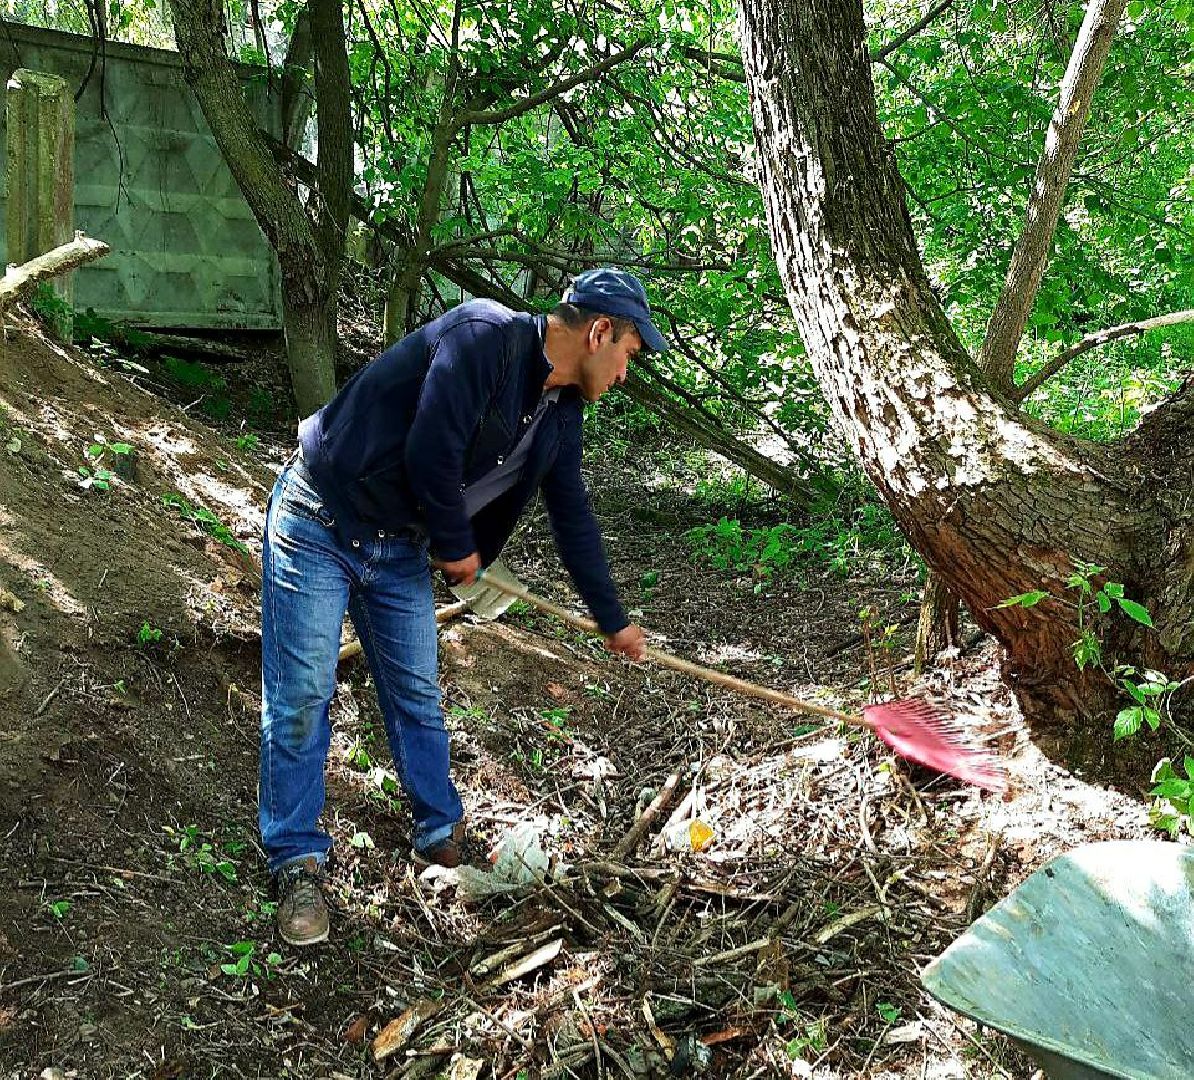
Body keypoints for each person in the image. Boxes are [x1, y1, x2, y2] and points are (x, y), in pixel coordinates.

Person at [259, 268, 667, 945]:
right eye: (628, 353)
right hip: (319, 521)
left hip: (397, 548)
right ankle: (295, 859)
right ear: (599, 331)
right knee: (303, 691)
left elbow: (574, 518)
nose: (626, 373)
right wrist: (459, 547)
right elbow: (431, 448)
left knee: (417, 692)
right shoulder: (484, 334)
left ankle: (437, 834)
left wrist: (612, 617)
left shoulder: (561, 417)